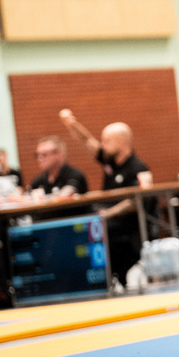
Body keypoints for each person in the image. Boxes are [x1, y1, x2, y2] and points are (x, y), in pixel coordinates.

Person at [60, 109, 153, 285]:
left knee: (97, 228)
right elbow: (87, 140)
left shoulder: (138, 168)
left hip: (128, 223)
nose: (102, 145)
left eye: (107, 141)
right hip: (107, 217)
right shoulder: (109, 161)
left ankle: (112, 278)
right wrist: (71, 124)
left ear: (121, 141)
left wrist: (109, 213)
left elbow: (139, 200)